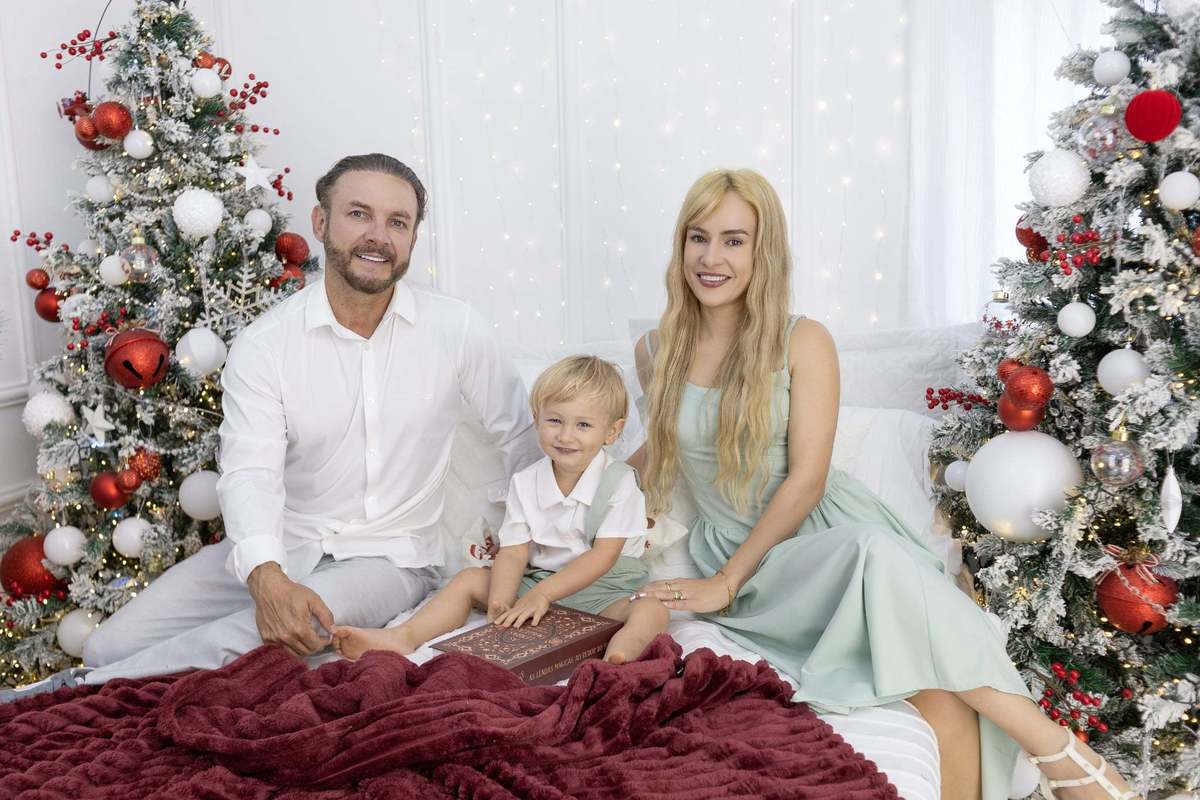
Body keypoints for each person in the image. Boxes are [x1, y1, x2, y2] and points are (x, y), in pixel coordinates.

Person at [627, 168, 1139, 800]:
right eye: (698, 237)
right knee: (932, 681)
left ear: (764, 250)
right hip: (745, 565)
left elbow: (807, 480)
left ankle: (1053, 749)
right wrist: (568, 505)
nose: (711, 258)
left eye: (734, 240)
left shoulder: (802, 340)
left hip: (819, 537)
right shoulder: (658, 349)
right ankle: (1063, 754)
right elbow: (659, 452)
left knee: (933, 683)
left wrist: (726, 580)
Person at [72, 154, 540, 685]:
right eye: (359, 214)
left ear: (412, 239)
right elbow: (250, 471)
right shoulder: (267, 343)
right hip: (286, 543)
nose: (378, 236)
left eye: (397, 222)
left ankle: (83, 694)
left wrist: (543, 544)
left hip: (392, 559)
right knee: (109, 643)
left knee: (282, 631)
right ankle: (100, 673)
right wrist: (265, 575)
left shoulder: (456, 328)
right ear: (320, 223)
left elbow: (520, 438)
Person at [333, 355, 669, 665]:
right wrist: (502, 600)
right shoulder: (526, 482)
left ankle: (621, 654)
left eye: (583, 425)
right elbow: (514, 551)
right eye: (555, 420)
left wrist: (542, 595)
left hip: (604, 590)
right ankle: (404, 636)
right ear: (536, 419)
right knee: (468, 579)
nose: (566, 436)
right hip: (539, 583)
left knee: (651, 609)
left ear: (612, 431)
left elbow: (603, 557)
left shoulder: (620, 483)